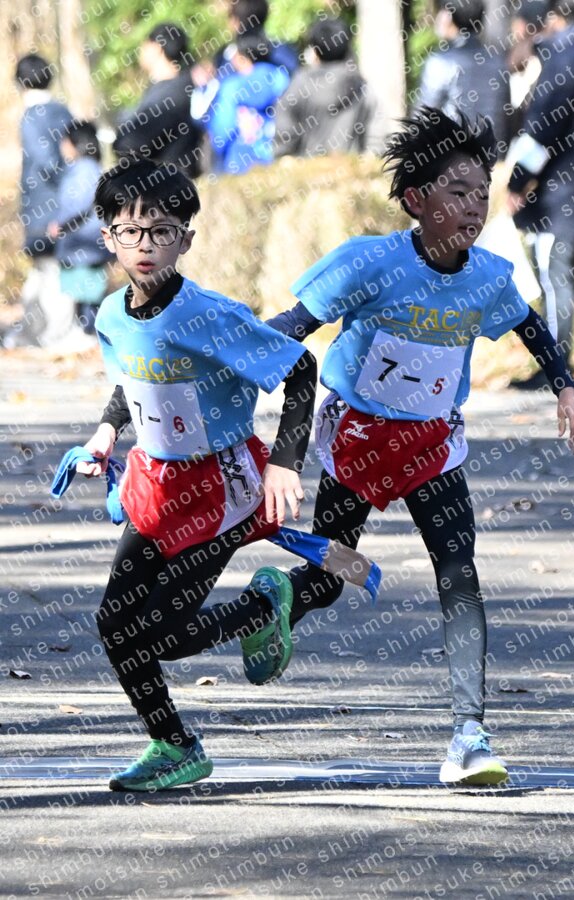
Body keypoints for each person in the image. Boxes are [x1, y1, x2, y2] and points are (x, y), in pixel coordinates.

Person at [238, 107, 574, 785]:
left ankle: (469, 734)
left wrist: (565, 386)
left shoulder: (487, 276)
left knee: (458, 572)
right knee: (333, 577)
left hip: (432, 445)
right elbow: (292, 325)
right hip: (360, 438)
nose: (474, 207)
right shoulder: (370, 263)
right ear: (416, 200)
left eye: (481, 193)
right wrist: (226, 363)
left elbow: (530, 326)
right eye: (458, 192)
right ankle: (275, 598)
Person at [78, 159, 316, 791]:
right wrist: (106, 433)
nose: (145, 245)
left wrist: (285, 462)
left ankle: (259, 607)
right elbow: (132, 378)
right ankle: (174, 745)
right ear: (108, 237)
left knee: (159, 632)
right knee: (115, 624)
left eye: (161, 231)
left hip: (219, 491)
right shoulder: (111, 314)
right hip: (156, 486)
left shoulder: (210, 315)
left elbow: (300, 368)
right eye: (130, 231)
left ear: (185, 238)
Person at [507, 0, 574, 390]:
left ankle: (555, 368)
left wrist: (517, 182)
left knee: (554, 276)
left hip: (564, 193)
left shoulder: (567, 51)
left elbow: (544, 126)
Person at [6, 54, 72, 348]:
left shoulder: (32, 116)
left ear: (21, 83)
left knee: (49, 271)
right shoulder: (63, 110)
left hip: (43, 207)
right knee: (47, 270)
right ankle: (32, 332)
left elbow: (46, 160)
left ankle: (49, 335)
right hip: (66, 205)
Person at [274, 17, 384, 159]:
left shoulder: (299, 85)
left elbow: (285, 135)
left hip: (307, 169)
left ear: (315, 49)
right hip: (351, 169)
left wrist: (284, 156)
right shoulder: (361, 86)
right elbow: (377, 136)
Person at [416, 0, 511, 156]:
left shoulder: (441, 62)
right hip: (492, 156)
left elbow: (423, 116)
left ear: (448, 16)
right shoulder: (498, 62)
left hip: (450, 156)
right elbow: (505, 115)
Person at [113, 23, 203, 178]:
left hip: (167, 183)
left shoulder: (173, 94)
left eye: (145, 45)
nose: (141, 50)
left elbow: (132, 143)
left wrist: (120, 140)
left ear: (157, 48)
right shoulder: (171, 88)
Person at [47, 120, 110, 341]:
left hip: (83, 244)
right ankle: (87, 336)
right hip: (87, 244)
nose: (62, 146)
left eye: (65, 140)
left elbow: (79, 202)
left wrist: (60, 223)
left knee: (85, 296)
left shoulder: (84, 169)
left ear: (76, 143)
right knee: (86, 294)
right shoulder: (90, 168)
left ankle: (87, 337)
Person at [203, 33, 289, 175]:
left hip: (240, 162)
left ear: (243, 58)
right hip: (278, 157)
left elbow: (223, 128)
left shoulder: (231, 87)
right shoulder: (282, 78)